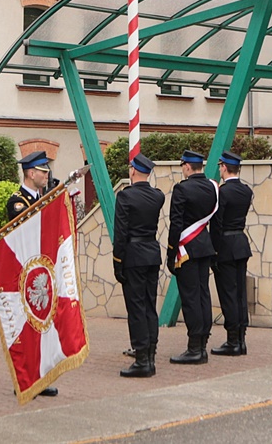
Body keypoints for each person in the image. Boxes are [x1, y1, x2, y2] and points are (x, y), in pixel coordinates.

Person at [3, 149, 61, 397]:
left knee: (43, 325)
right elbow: (27, 227)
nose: (47, 175)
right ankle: (25, 378)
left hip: (42, 270)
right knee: (25, 326)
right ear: (30, 173)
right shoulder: (18, 201)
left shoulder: (42, 196)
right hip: (24, 272)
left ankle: (40, 375)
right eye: (43, 171)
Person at [113, 153, 165, 378]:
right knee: (149, 305)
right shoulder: (157, 196)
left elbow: (121, 232)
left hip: (133, 256)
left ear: (133, 171)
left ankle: (142, 359)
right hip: (152, 253)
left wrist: (118, 261)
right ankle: (150, 352)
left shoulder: (125, 197)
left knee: (136, 308)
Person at [166, 149, 218, 365]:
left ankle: (194, 348)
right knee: (203, 295)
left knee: (190, 298)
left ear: (187, 166)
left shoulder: (182, 189)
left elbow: (176, 223)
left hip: (187, 250)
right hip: (204, 246)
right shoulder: (212, 186)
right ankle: (203, 341)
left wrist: (170, 252)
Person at [209, 151, 253, 357]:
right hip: (240, 243)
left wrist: (214, 250)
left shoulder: (222, 192)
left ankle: (232, 340)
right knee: (240, 295)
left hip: (225, 245)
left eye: (220, 167)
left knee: (228, 294)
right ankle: (241, 338)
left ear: (224, 168)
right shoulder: (246, 190)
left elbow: (216, 224)